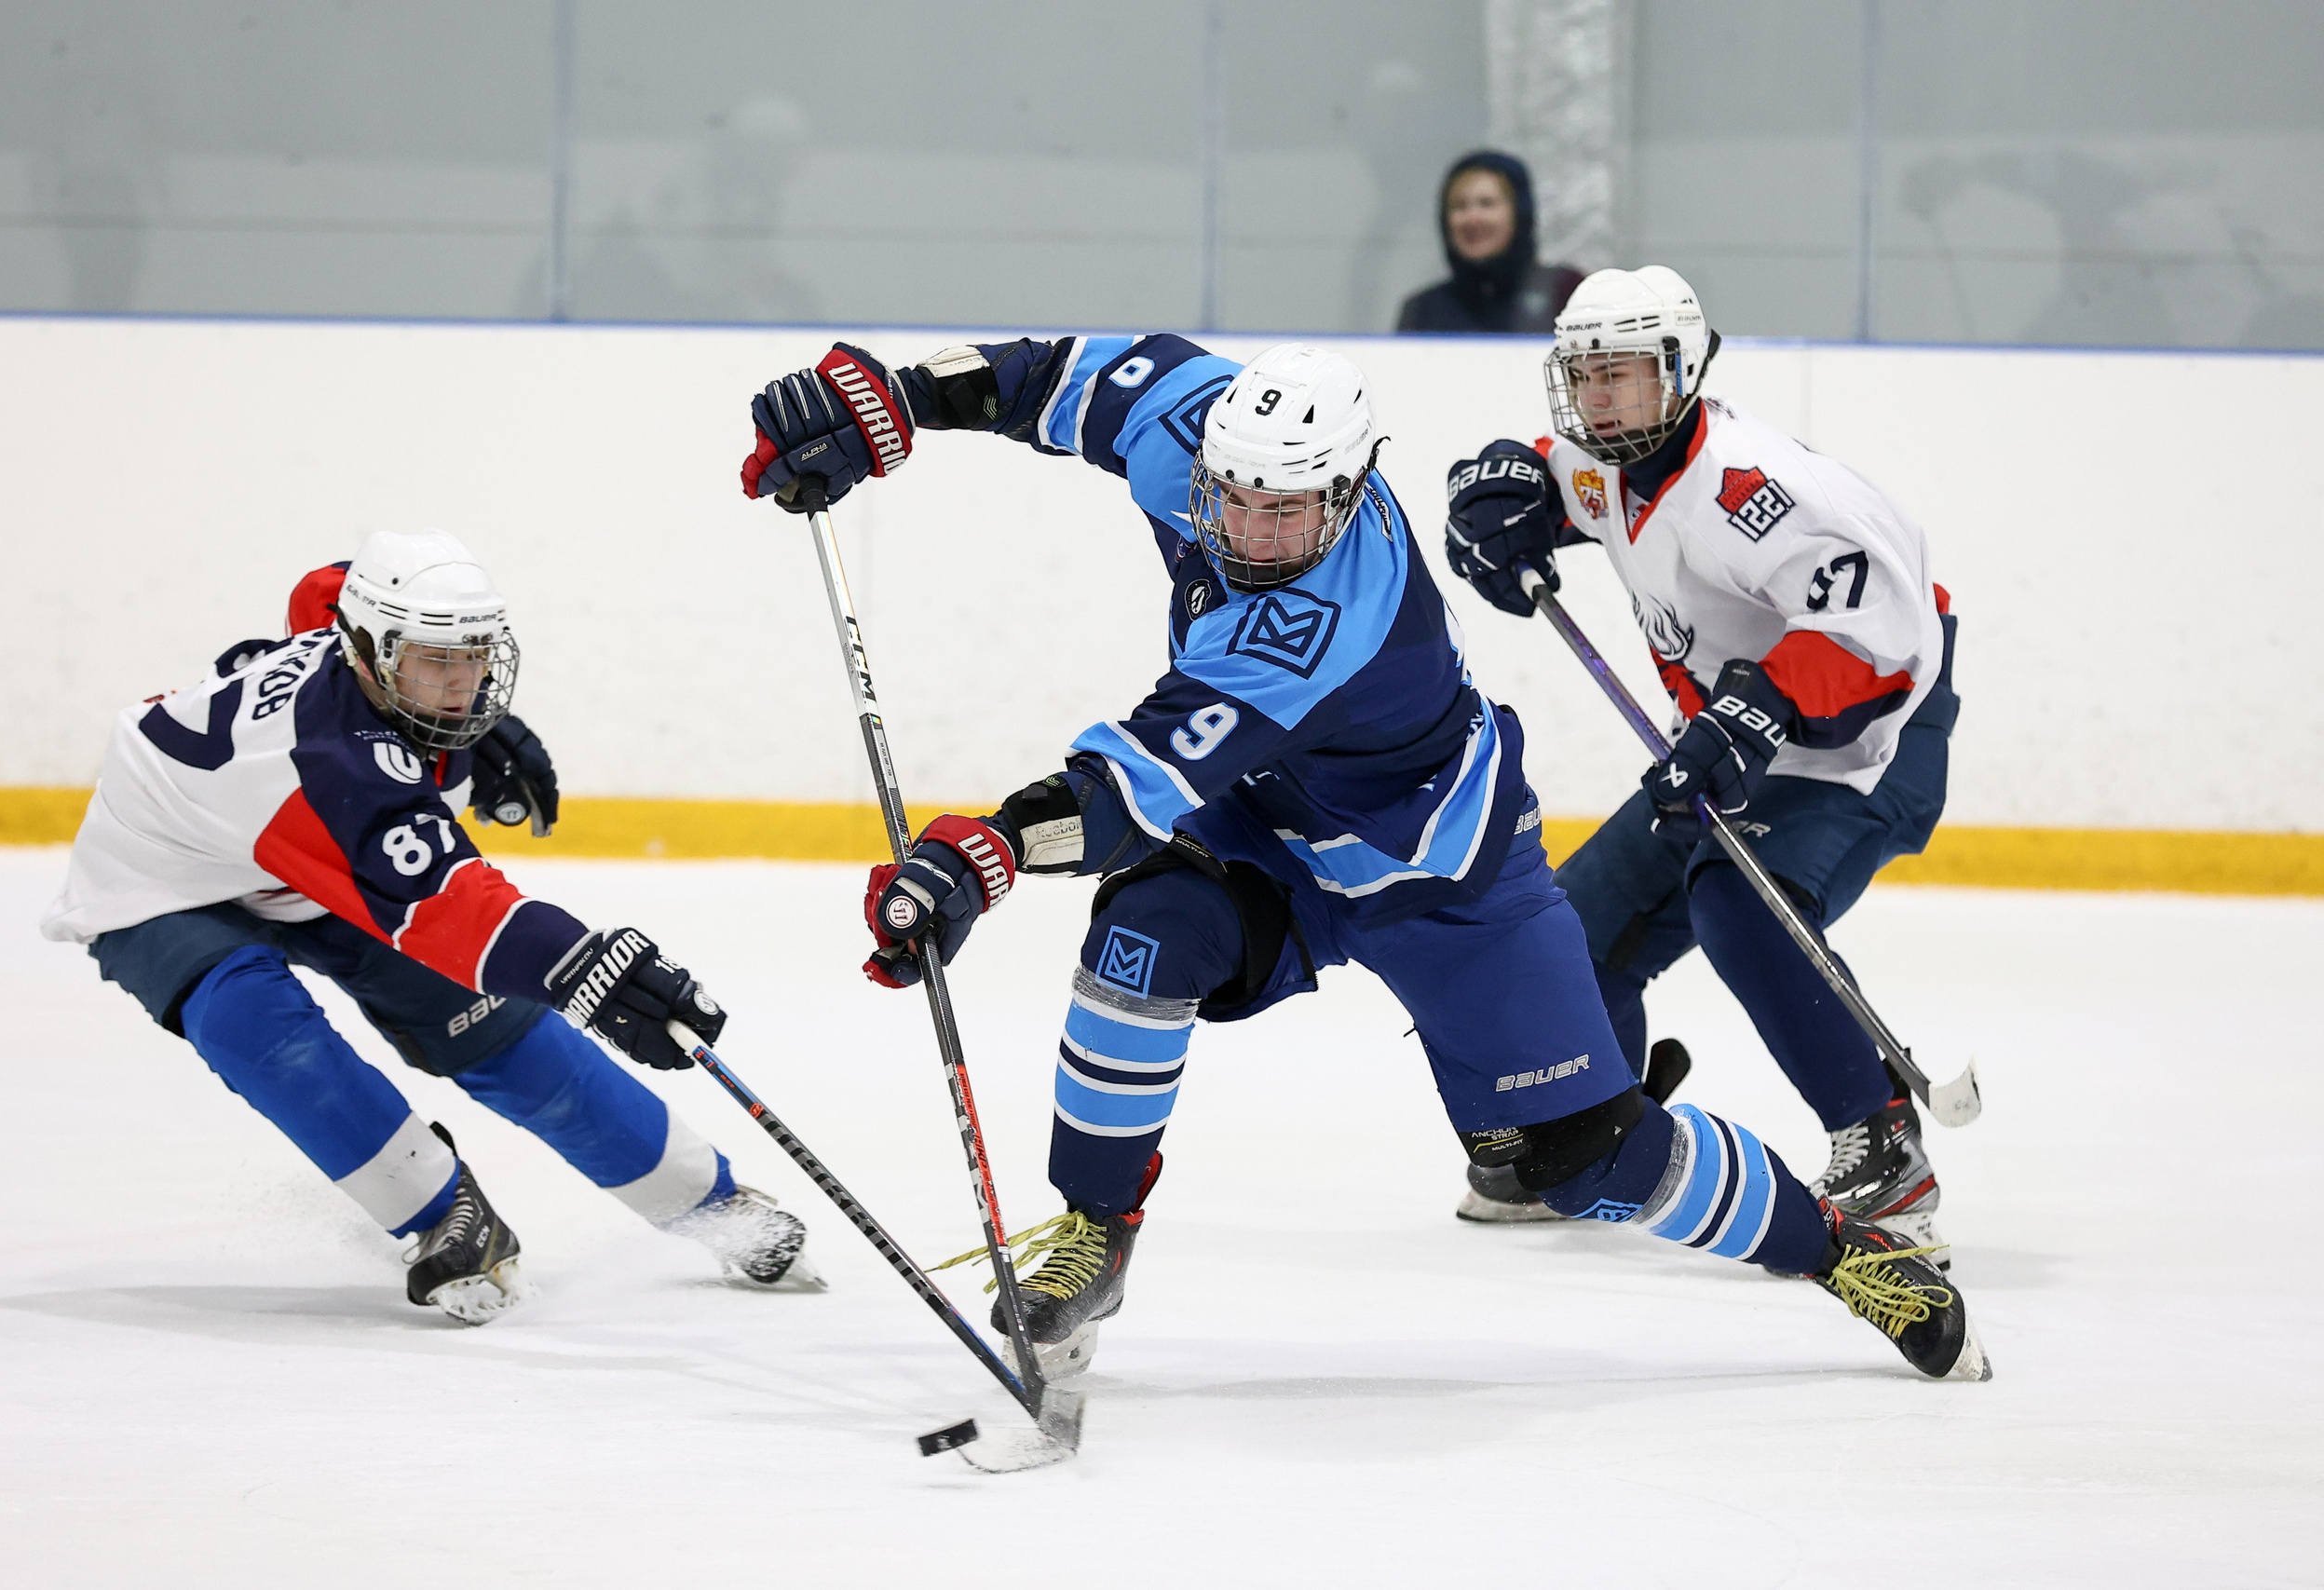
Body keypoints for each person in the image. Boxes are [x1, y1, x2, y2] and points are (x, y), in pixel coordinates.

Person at [735, 336, 1988, 1384]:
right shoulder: (1208, 430)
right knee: (1144, 934)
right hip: (1270, 836)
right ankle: (1091, 1235)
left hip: (1442, 875)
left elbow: (1127, 784)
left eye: (1289, 512)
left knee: (1589, 1159)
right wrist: (889, 398)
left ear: (1346, 493)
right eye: (1235, 501)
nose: (1255, 532)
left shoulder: (1329, 618)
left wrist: (983, 858)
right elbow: (1052, 372)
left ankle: (1840, 1251)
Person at [41, 532, 819, 1323]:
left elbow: (323, 586)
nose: (459, 684)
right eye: (432, 662)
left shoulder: (363, 627)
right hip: (164, 871)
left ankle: (712, 1205)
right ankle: (440, 1210)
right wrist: (588, 968)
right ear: (371, 651)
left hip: (296, 847)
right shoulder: (337, 763)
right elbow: (456, 912)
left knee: (498, 1033)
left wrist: (478, 728)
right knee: (251, 1021)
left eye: (472, 655)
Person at [1441, 265, 1960, 1260]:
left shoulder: (1753, 488)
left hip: (1868, 732)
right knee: (1571, 931)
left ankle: (1882, 1147)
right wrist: (1493, 498)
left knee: (1737, 898)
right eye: (1584, 377)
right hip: (1737, 733)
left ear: (1681, 371)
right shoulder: (1607, 465)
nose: (1601, 399)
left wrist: (1754, 709)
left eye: (1624, 375)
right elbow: (1539, 486)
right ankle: (1593, 1124)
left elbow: (1884, 630)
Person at [1396, 151, 1585, 335]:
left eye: (1486, 203)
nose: (1472, 218)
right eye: (1459, 206)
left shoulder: (1566, 292)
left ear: (1519, 214)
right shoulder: (1424, 310)